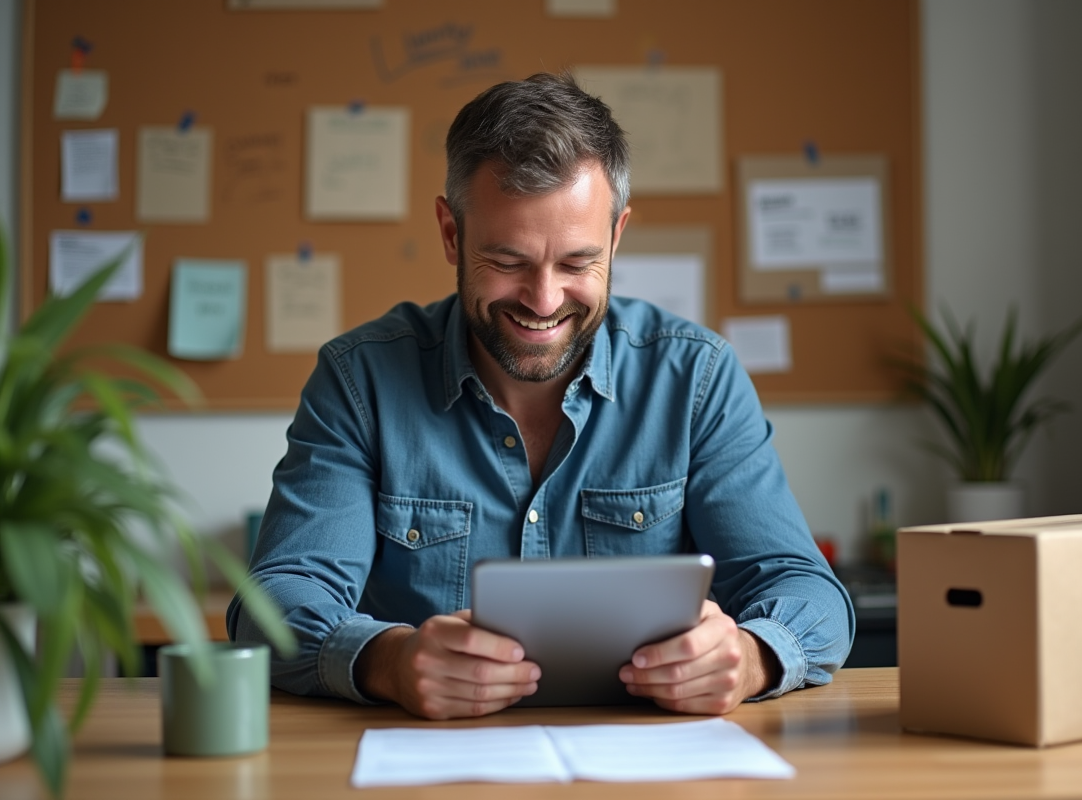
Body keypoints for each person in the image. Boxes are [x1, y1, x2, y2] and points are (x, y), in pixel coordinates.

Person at [228, 72, 854, 721]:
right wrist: (389, 661)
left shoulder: (697, 379)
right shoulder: (360, 381)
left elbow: (808, 592)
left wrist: (750, 656)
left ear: (616, 236)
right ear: (451, 233)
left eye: (577, 263)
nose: (544, 300)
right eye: (508, 261)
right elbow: (276, 601)